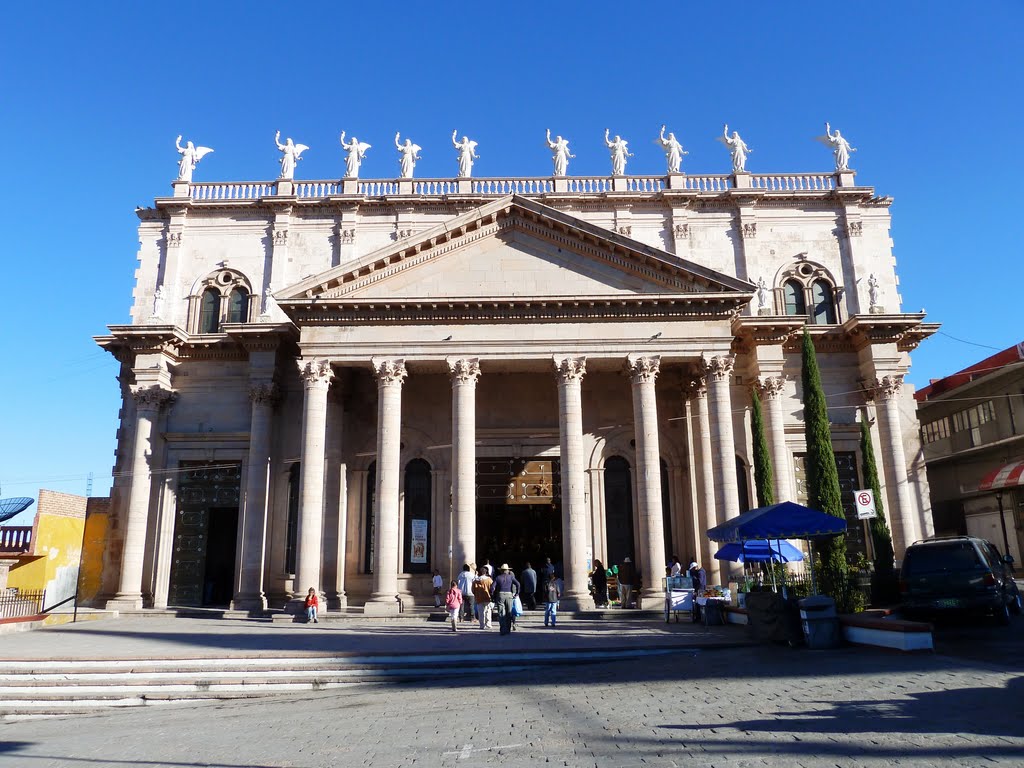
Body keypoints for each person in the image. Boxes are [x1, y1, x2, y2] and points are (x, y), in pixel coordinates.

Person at [490, 563, 521, 636]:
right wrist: (517, 593)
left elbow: (492, 587)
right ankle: (508, 629)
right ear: (507, 570)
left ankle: (502, 629)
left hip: (500, 594)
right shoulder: (511, 577)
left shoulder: (498, 577)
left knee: (501, 612)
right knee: (508, 612)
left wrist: (492, 594)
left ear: (501, 570)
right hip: (509, 595)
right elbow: (518, 584)